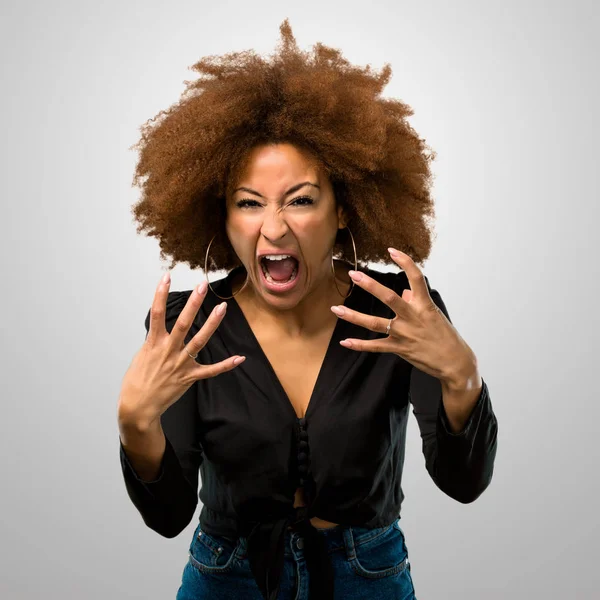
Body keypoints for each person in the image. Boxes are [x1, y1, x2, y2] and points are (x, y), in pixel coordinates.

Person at [117, 19, 498, 600]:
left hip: (368, 574)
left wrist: (462, 377)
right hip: (227, 575)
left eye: (300, 200)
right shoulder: (188, 326)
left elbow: (463, 484)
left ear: (343, 209)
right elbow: (167, 516)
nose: (274, 227)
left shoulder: (399, 310)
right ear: (221, 218)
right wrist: (136, 424)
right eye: (248, 203)